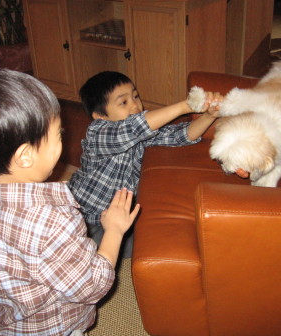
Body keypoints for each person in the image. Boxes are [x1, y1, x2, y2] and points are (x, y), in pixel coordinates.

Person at [0, 68, 140, 336]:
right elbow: (91, 286)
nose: (64, 138)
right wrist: (115, 230)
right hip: (55, 328)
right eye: (58, 134)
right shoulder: (52, 222)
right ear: (25, 157)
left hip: (11, 318)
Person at [68, 71, 221, 257]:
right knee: (89, 265)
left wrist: (209, 116)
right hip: (85, 219)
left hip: (119, 218)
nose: (135, 105)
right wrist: (186, 106)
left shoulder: (141, 135)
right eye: (123, 102)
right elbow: (136, 126)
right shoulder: (98, 133)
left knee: (153, 247)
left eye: (135, 96)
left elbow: (180, 135)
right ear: (100, 117)